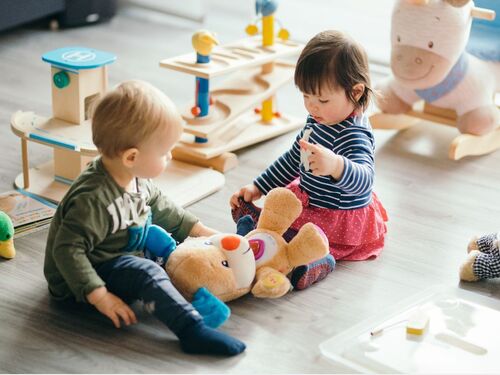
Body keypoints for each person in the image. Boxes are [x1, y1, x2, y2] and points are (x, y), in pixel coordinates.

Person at [44, 80, 245, 356]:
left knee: (171, 251)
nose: (170, 156)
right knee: (148, 271)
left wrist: (204, 232)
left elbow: (161, 206)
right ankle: (191, 329)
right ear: (131, 157)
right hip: (79, 280)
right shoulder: (93, 200)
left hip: (119, 249)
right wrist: (99, 295)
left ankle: (196, 293)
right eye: (164, 153)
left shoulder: (133, 176)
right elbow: (67, 250)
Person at [231, 30, 388, 290]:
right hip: (309, 200)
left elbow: (365, 181)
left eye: (322, 99)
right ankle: (258, 228)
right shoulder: (318, 119)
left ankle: (317, 263)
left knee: (311, 241)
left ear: (356, 92)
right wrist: (258, 187)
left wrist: (336, 165)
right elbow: (294, 158)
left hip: (338, 216)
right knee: (282, 213)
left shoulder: (354, 134)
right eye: (306, 96)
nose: (312, 107)